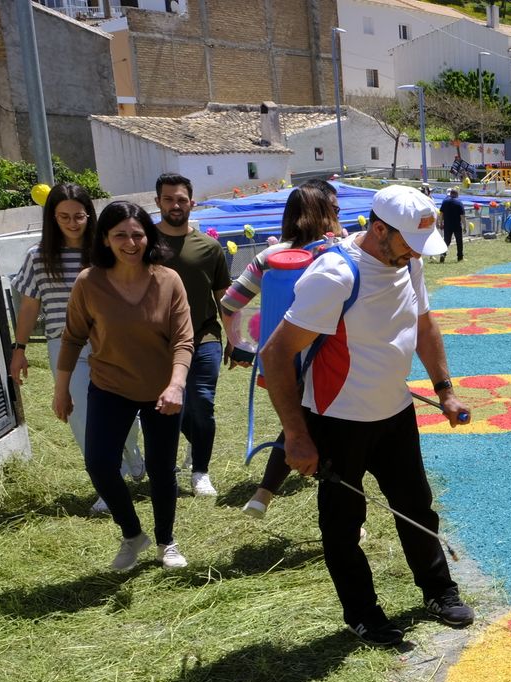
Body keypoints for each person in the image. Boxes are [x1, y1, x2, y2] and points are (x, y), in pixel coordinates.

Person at [259, 185, 474, 647]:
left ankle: (438, 591)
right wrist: (296, 435)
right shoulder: (335, 275)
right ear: (379, 229)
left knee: (416, 507)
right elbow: (275, 354)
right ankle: (362, 613)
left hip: (395, 414)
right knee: (342, 525)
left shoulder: (408, 260)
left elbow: (423, 323)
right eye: (409, 246)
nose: (416, 256)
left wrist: (445, 390)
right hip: (337, 422)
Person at [54, 201, 194, 571]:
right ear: (104, 239)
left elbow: (183, 340)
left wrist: (177, 384)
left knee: (162, 468)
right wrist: (61, 388)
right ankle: (132, 534)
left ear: (148, 237)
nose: (130, 242)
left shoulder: (168, 281)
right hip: (109, 385)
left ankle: (166, 541)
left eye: (137, 234)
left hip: (162, 388)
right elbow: (71, 339)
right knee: (99, 463)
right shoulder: (89, 283)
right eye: (120, 235)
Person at [11, 183, 144, 514]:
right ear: (52, 217)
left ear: (90, 215)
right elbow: (28, 307)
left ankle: (133, 457)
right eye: (63, 217)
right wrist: (19, 348)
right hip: (64, 345)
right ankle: (107, 483)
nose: (72, 223)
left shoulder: (105, 252)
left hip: (111, 343)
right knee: (83, 418)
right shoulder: (38, 256)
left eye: (79, 216)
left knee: (124, 413)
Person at [220, 180, 344, 519]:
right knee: (322, 431)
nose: (339, 215)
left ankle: (263, 493)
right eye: (334, 209)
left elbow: (229, 303)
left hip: (278, 364)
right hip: (327, 361)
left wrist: (239, 344)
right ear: (323, 214)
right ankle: (341, 518)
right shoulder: (336, 251)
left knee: (300, 424)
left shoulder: (269, 256)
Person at [153, 173, 230, 496]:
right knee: (173, 408)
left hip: (204, 338)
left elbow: (224, 296)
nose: (175, 205)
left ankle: (200, 471)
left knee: (201, 403)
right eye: (168, 199)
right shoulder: (143, 244)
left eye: (181, 199)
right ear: (158, 202)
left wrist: (236, 340)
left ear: (191, 202)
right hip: (157, 343)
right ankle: (186, 449)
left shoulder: (210, 247)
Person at [438, 188, 466, 263]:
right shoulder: (459, 203)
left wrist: (441, 223)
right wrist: (465, 226)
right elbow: (462, 216)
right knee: (459, 241)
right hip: (457, 225)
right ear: (457, 195)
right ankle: (460, 257)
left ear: (450, 194)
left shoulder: (445, 202)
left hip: (447, 225)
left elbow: (441, 214)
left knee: (446, 241)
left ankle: (443, 254)